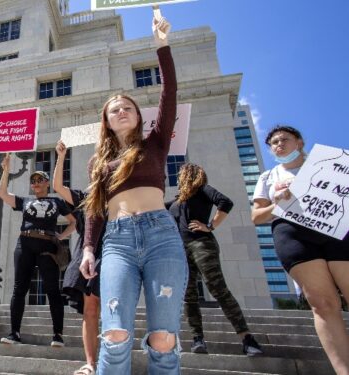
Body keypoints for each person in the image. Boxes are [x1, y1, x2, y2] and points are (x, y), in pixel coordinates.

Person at [79, 12, 188, 374]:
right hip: (118, 242)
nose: (121, 111)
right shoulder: (100, 161)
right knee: (115, 333)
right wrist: (89, 248)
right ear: (107, 122)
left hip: (161, 236)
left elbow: (169, 92)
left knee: (163, 336)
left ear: (139, 116)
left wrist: (162, 46)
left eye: (127, 107)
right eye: (114, 110)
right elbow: (93, 209)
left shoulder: (155, 143)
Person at [251, 125, 349, 374]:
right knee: (322, 303)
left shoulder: (331, 164)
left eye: (284, 139)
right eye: (273, 143)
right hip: (292, 234)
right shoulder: (268, 177)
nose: (278, 145)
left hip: (336, 230)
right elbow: (256, 216)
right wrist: (277, 202)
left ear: (300, 142)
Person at [166, 163, 263, 356]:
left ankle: (247, 338)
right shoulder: (176, 201)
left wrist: (210, 226)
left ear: (189, 174)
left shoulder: (201, 189)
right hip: (180, 250)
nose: (178, 177)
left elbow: (225, 202)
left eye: (181, 174)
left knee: (217, 287)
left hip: (201, 244)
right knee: (189, 295)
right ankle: (197, 339)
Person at [0, 156, 76, 347]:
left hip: (47, 245)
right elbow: (2, 194)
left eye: (40, 180)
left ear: (47, 183)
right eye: (33, 181)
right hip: (24, 243)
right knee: (19, 289)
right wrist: (5, 170)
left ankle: (58, 335)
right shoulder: (25, 200)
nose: (36, 183)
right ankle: (14, 333)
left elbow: (74, 221)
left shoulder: (57, 201)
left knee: (52, 290)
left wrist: (61, 236)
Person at [53, 140, 100, 375]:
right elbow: (58, 186)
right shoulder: (83, 196)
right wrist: (61, 157)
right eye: (94, 167)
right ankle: (91, 363)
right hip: (87, 250)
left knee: (113, 306)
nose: (98, 170)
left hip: (114, 248)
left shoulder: (119, 192)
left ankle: (112, 360)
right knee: (90, 308)